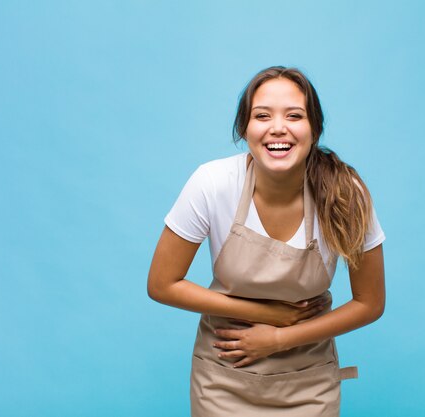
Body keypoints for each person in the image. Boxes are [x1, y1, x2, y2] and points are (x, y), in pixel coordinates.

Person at [147, 66, 386, 416]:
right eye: (262, 115)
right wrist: (266, 313)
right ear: (245, 128)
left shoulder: (346, 193)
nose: (278, 127)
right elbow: (161, 284)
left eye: (294, 115)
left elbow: (370, 302)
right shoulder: (213, 183)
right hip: (225, 377)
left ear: (314, 129)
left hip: (309, 381)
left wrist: (277, 338)